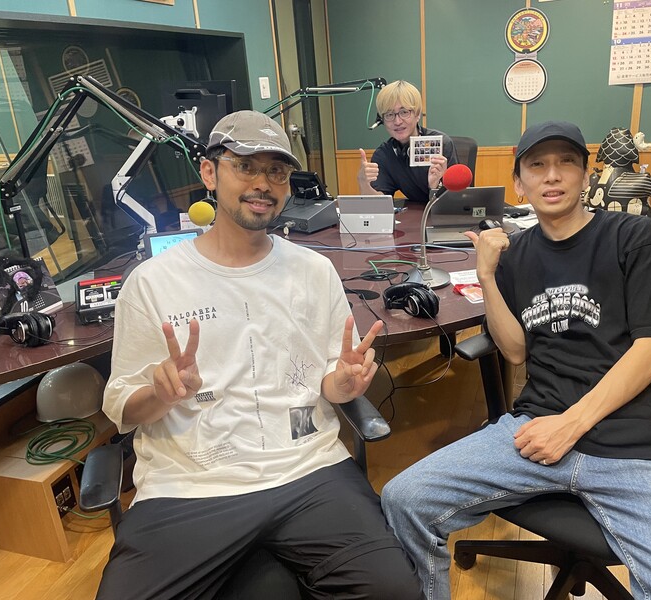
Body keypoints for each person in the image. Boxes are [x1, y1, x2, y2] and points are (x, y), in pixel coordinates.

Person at [381, 121, 651, 599]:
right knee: (404, 499)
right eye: (537, 165)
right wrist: (487, 277)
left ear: (586, 175)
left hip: (642, 445)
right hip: (536, 430)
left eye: (566, 162)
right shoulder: (517, 255)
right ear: (519, 183)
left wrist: (570, 425)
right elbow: (514, 351)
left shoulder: (634, 237)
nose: (552, 175)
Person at [98, 110, 424, 600]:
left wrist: (343, 385)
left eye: (276, 171)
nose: (263, 183)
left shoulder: (314, 270)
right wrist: (162, 395)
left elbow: (328, 378)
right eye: (245, 166)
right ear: (209, 173)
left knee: (394, 591)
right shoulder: (152, 282)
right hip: (190, 485)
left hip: (308, 471)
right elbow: (121, 408)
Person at [357, 80, 458, 203]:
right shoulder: (384, 155)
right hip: (412, 213)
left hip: (442, 212)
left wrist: (435, 186)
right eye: (389, 114)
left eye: (404, 112)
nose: (397, 121)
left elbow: (457, 201)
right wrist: (363, 182)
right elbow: (378, 204)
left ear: (417, 114)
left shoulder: (442, 144)